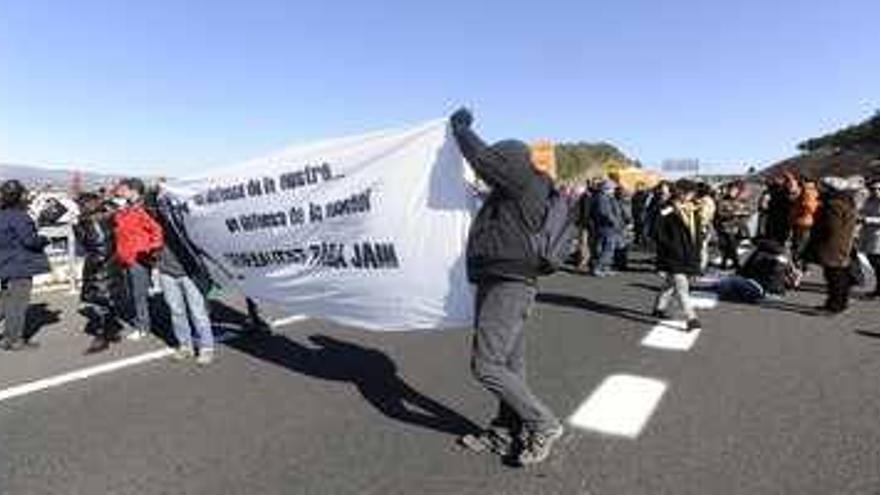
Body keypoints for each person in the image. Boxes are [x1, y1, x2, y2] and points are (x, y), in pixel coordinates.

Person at [450, 108, 563, 466]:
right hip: (505, 280)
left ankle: (543, 423)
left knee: (485, 365)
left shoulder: (524, 180)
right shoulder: (519, 190)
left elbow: (482, 159)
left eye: (499, 159)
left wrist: (461, 129)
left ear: (510, 161)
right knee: (510, 365)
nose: (490, 166)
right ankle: (504, 431)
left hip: (508, 282)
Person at [155, 196, 216, 364]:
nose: (161, 209)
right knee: (176, 311)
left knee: (197, 312)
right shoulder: (155, 222)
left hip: (189, 272)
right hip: (166, 271)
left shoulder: (186, 222)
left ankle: (206, 347)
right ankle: (185, 346)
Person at [0, 180, 50, 350]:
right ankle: (14, 340)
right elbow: (30, 241)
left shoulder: (2, 214)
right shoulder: (20, 216)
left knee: (7, 302)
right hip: (19, 266)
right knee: (18, 305)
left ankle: (8, 338)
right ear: (19, 196)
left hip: (4, 265)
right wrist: (44, 239)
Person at [113, 178, 164, 340]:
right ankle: (145, 321)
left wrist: (148, 249)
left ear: (133, 190)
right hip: (126, 257)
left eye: (123, 189)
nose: (120, 191)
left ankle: (143, 327)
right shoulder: (127, 209)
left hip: (138, 258)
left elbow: (157, 230)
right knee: (133, 292)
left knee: (138, 294)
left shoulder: (143, 208)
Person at [75, 192, 124, 353]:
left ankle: (101, 337)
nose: (78, 208)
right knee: (106, 302)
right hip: (109, 266)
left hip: (101, 269)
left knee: (100, 304)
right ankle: (111, 332)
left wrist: (90, 267)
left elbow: (100, 248)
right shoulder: (101, 219)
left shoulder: (93, 222)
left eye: (81, 205)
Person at [651, 180, 702, 332]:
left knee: (670, 283)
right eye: (688, 192)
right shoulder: (667, 208)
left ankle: (659, 308)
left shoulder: (693, 209)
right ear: (679, 192)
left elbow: (696, 233)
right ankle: (691, 318)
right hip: (672, 254)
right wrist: (670, 246)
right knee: (682, 287)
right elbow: (657, 231)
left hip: (688, 253)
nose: (690, 196)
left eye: (692, 193)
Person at [805, 177, 858, 314]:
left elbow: (831, 227)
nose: (819, 189)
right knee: (839, 275)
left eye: (822, 187)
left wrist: (817, 232)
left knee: (834, 277)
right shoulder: (845, 201)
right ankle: (839, 303)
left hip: (832, 245)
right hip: (841, 244)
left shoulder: (833, 204)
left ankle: (835, 306)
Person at [590, 179, 625, 276]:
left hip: (608, 226)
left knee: (608, 248)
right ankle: (598, 268)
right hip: (607, 226)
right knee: (608, 248)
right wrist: (615, 222)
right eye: (612, 188)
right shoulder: (602, 198)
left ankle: (605, 267)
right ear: (607, 188)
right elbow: (605, 213)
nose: (614, 190)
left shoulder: (607, 197)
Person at [714, 181, 751, 270]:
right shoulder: (722, 200)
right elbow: (719, 213)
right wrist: (733, 214)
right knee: (727, 246)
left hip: (736, 228)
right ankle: (731, 263)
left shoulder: (740, 201)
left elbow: (748, 211)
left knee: (732, 246)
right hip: (724, 227)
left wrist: (743, 214)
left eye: (735, 190)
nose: (733, 192)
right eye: (731, 190)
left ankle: (729, 263)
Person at [790, 178, 819, 269]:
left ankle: (797, 265)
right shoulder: (813, 191)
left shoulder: (807, 190)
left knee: (799, 244)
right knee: (802, 244)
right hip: (807, 221)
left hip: (803, 221)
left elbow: (809, 206)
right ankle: (800, 264)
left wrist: (799, 210)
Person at [858, 179, 880, 297]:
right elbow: (861, 211)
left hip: (878, 237)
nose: (876, 191)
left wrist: (867, 219)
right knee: (873, 261)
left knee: (877, 263)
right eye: (873, 189)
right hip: (868, 235)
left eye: (878, 189)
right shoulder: (869, 200)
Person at [695, 183, 716, 273]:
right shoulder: (703, 200)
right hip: (703, 226)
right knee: (701, 247)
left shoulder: (706, 202)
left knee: (702, 247)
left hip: (703, 227)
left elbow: (704, 217)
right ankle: (700, 266)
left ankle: (701, 267)